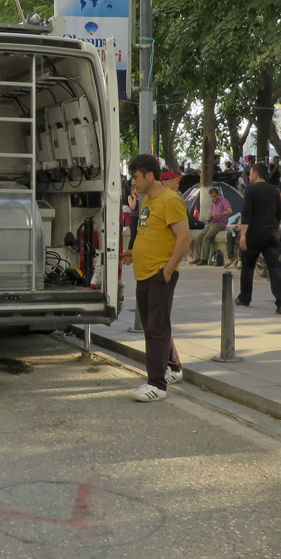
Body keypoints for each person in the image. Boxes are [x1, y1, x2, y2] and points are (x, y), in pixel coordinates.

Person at [121, 154, 188, 402]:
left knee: (155, 330)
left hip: (159, 274)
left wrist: (168, 270)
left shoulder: (170, 200)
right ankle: (175, 368)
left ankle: (157, 384)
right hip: (144, 272)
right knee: (156, 325)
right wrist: (134, 253)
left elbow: (184, 238)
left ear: (150, 175)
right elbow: (149, 234)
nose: (133, 182)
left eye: (136, 177)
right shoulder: (149, 200)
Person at [235, 163, 281, 314]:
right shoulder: (274, 190)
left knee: (248, 267)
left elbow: (246, 213)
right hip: (271, 234)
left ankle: (245, 297)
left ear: (256, 173)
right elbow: (279, 213)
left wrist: (243, 234)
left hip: (254, 234)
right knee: (275, 268)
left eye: (250, 173)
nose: (249, 176)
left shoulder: (250, 189)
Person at [190, 187, 232, 265]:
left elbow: (229, 211)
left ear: (218, 194)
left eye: (214, 196)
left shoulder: (224, 201)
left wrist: (218, 214)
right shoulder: (213, 204)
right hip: (213, 222)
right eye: (211, 197)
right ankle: (197, 257)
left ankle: (204, 258)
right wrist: (210, 217)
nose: (213, 198)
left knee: (207, 237)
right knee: (199, 238)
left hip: (220, 223)